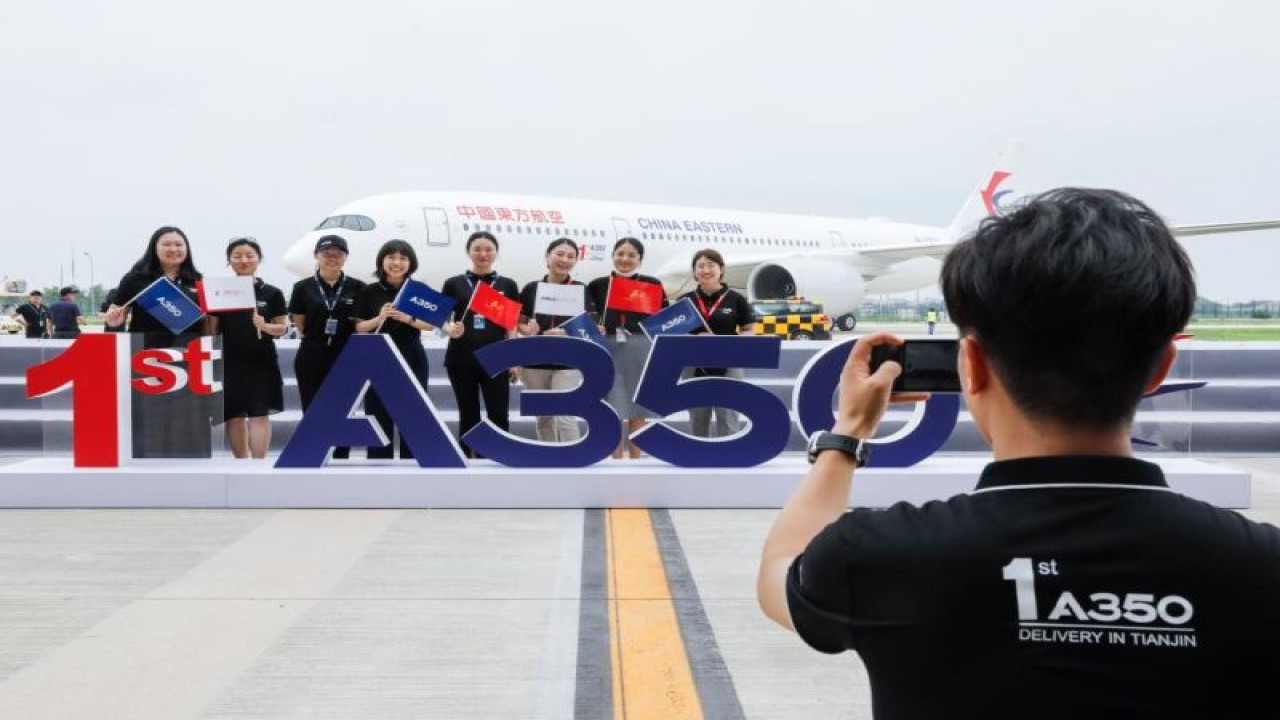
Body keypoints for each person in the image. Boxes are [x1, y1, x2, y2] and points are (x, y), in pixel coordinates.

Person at [757, 188, 1280, 718]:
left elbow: (779, 570)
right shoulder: (1262, 568)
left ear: (972, 366)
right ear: (1161, 369)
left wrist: (847, 435)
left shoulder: (879, 553)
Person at [104, 226, 214, 458]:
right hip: (147, 356)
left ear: (187, 249)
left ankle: (189, 457)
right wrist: (114, 322)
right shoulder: (136, 279)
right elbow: (116, 317)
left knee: (186, 415)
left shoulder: (198, 280)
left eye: (179, 244)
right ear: (154, 248)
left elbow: (208, 323)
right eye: (167, 244)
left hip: (187, 356)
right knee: (149, 413)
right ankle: (146, 459)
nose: (173, 249)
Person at [441, 231, 521, 458]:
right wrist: (450, 329)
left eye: (488, 249)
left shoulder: (507, 284)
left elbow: (511, 324)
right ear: (468, 252)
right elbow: (442, 318)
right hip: (461, 358)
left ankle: (499, 457)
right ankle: (467, 459)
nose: (483, 254)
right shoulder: (453, 283)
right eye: (477, 249)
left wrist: (513, 360)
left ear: (496, 253)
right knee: (468, 413)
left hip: (498, 358)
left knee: (499, 414)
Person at [353, 239, 435, 459]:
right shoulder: (368, 291)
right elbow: (359, 328)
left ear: (411, 263)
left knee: (413, 415)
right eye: (391, 257)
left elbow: (430, 324)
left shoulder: (418, 290)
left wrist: (407, 318)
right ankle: (378, 469)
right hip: (377, 358)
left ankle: (412, 466)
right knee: (378, 416)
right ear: (382, 261)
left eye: (403, 258)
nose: (397, 263)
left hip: (411, 357)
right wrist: (379, 317)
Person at [587, 237, 668, 459]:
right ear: (613, 256)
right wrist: (597, 328)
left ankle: (636, 460)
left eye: (632, 255)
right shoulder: (597, 285)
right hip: (608, 347)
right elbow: (588, 317)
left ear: (640, 260)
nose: (625, 259)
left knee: (637, 409)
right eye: (620, 253)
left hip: (640, 347)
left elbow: (664, 317)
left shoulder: (653, 284)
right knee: (613, 409)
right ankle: (614, 461)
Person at [287, 234, 365, 461]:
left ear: (345, 258)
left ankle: (341, 456)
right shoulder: (302, 287)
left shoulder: (357, 287)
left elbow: (359, 321)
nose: (332, 258)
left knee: (344, 408)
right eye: (326, 254)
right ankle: (314, 453)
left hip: (346, 355)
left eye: (338, 254)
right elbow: (300, 323)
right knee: (312, 407)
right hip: (312, 354)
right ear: (316, 256)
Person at [211, 238, 288, 459]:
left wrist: (264, 326)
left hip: (261, 361)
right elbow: (212, 330)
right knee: (234, 415)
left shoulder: (272, 293)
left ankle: (259, 465)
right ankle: (240, 463)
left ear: (259, 259)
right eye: (237, 256)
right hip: (230, 361)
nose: (244, 260)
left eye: (249, 255)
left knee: (259, 414)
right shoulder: (220, 292)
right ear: (229, 261)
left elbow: (282, 328)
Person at [517, 237, 596, 443]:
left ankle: (573, 460)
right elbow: (519, 322)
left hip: (568, 360)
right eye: (559, 254)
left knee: (566, 416)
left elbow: (591, 325)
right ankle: (549, 460)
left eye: (571, 256)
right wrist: (529, 330)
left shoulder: (581, 289)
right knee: (543, 417)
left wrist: (567, 333)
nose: (565, 260)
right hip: (535, 360)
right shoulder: (531, 288)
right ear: (547, 256)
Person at [678, 248, 754, 438]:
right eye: (700, 266)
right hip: (694, 365)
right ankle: (698, 456)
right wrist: (695, 339)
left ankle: (729, 456)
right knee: (697, 416)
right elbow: (675, 335)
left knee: (728, 414)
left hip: (729, 362)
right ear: (694, 271)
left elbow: (748, 329)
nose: (706, 270)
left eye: (711, 265)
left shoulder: (737, 299)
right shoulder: (684, 301)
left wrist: (733, 342)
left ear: (721, 269)